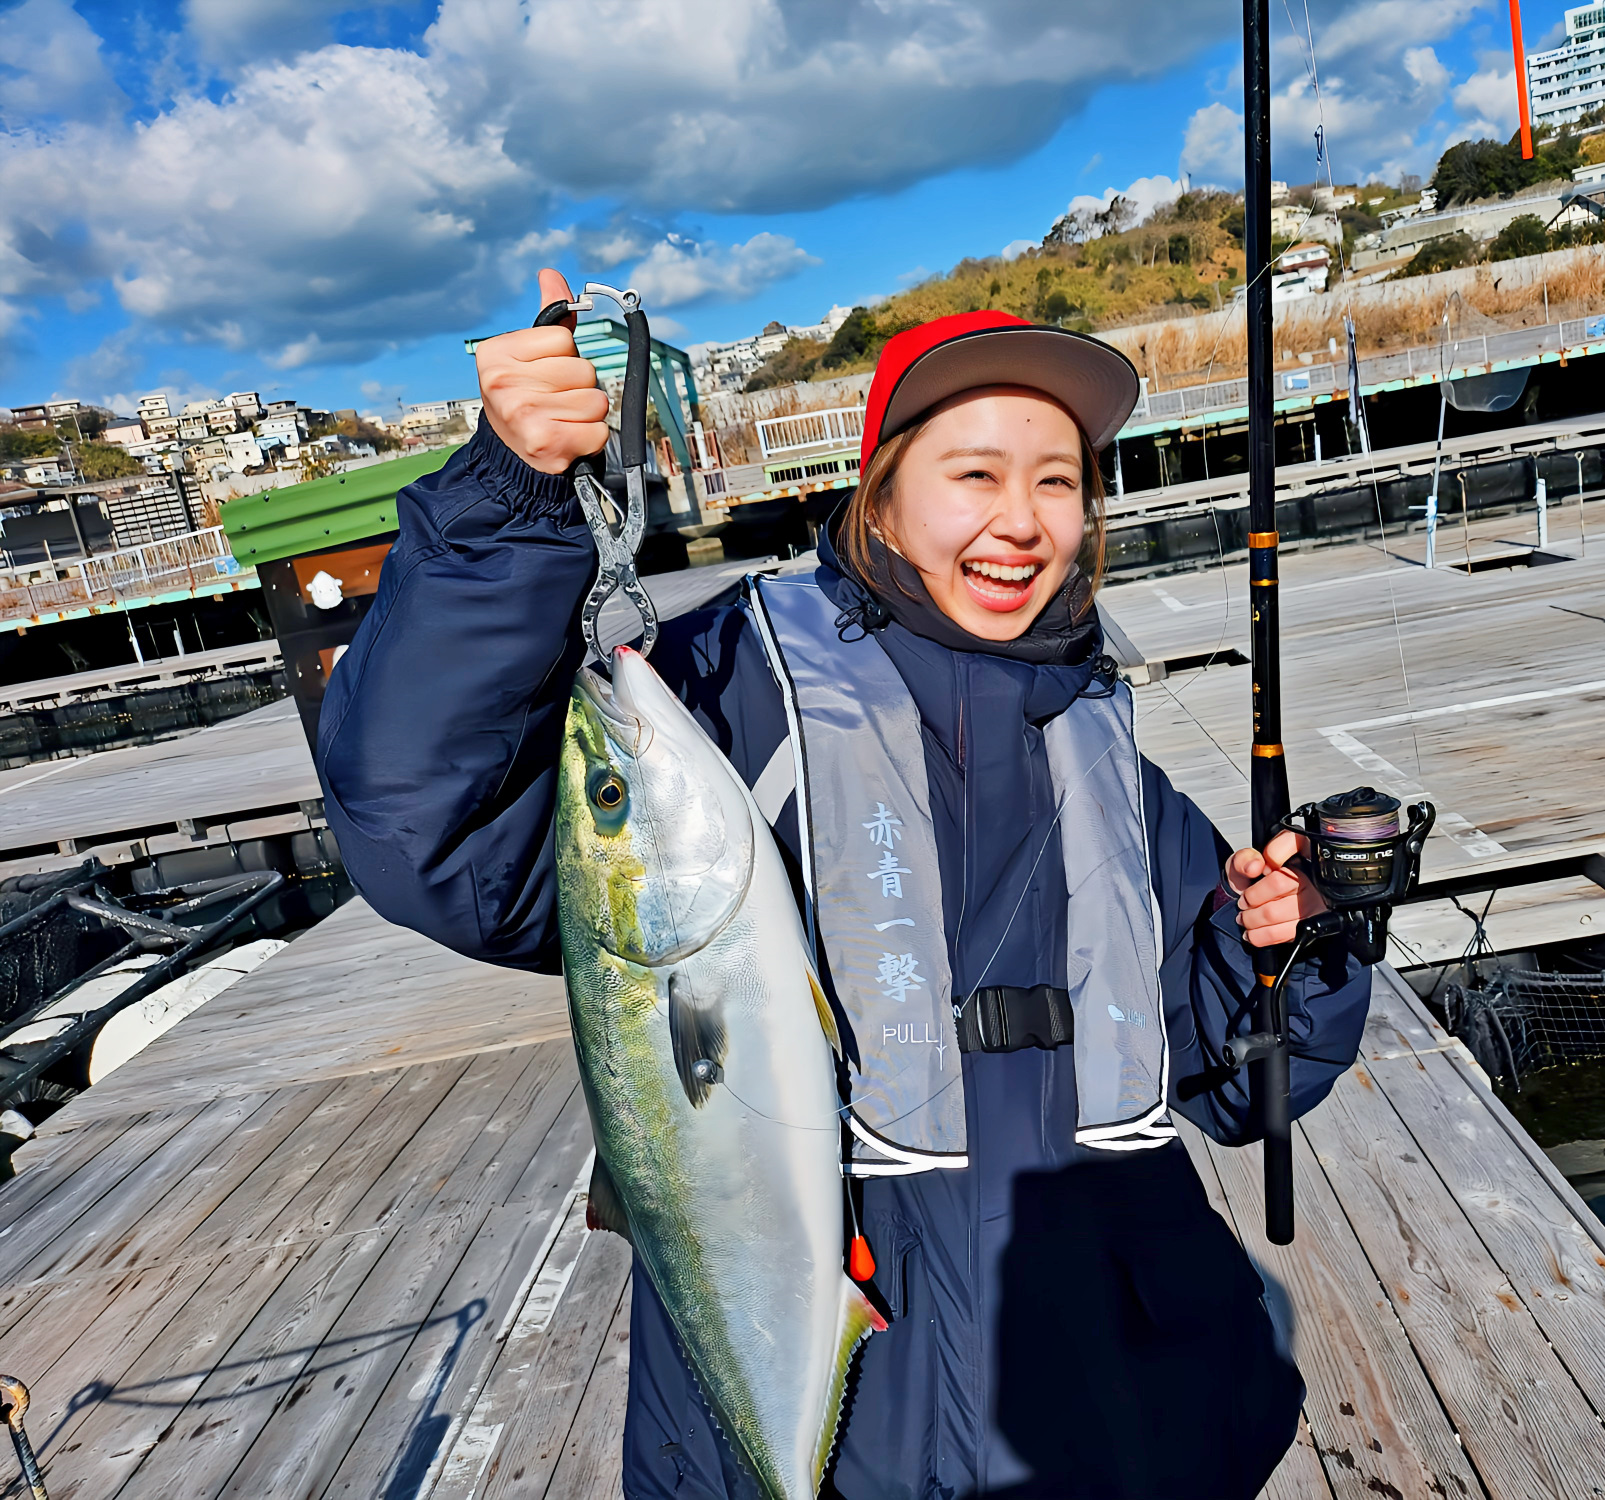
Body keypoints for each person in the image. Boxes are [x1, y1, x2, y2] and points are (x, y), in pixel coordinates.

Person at [319, 270, 1375, 1500]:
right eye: (972, 475)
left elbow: (1235, 1080)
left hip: (1123, 1418)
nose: (1021, 521)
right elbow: (427, 832)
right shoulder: (718, 686)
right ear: (880, 489)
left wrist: (1293, 953)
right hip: (855, 1428)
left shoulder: (1105, 751)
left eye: (1056, 480)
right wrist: (508, 503)